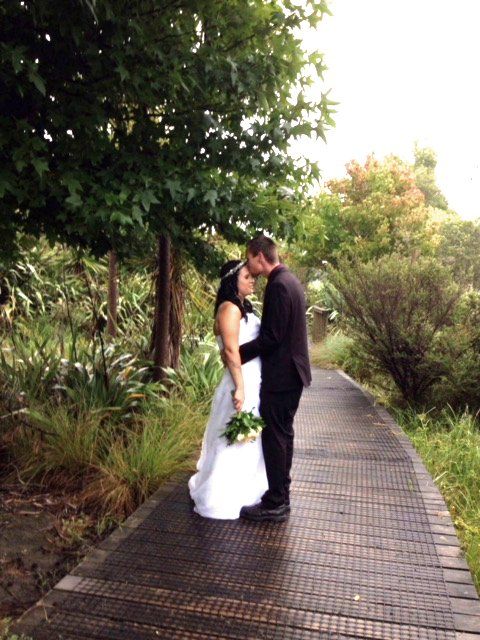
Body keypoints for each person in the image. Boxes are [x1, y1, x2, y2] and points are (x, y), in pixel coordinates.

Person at [239, 235, 311, 523]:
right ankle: (281, 495)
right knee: (284, 435)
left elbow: (272, 337)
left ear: (259, 256)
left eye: (249, 258)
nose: (249, 266)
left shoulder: (279, 286)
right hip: (292, 374)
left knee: (275, 436)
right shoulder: (289, 280)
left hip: (282, 376)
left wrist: (237, 353)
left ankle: (277, 502)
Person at [188, 260, 268, 519]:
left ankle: (245, 489)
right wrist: (240, 388)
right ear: (232, 281)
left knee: (248, 439)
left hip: (252, 379)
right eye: (246, 276)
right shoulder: (230, 309)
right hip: (240, 381)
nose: (252, 279)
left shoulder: (243, 308)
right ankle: (220, 494)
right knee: (233, 437)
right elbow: (232, 352)